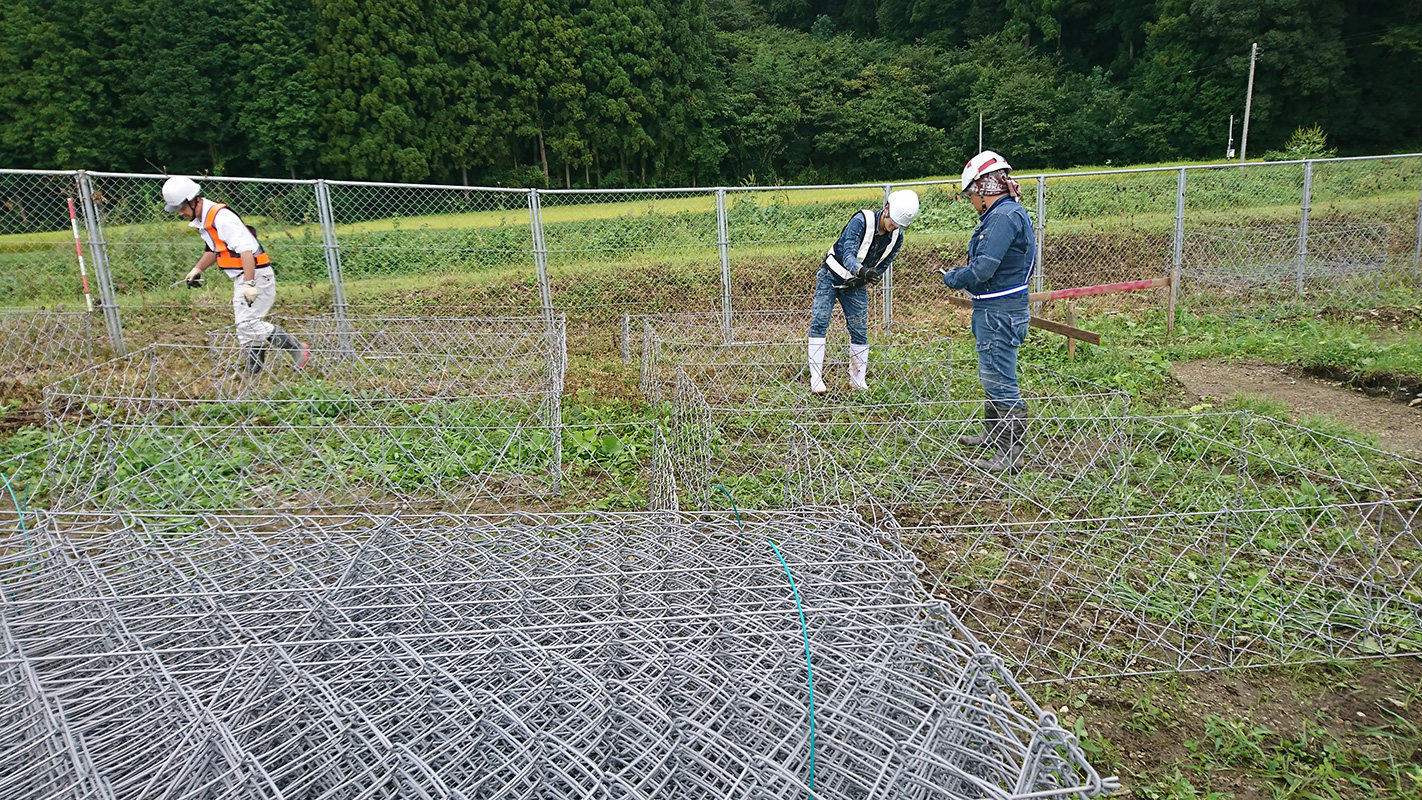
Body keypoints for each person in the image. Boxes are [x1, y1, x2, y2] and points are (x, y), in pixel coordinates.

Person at [937, 151, 1035, 472]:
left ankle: (1012, 452)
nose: (971, 202)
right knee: (991, 373)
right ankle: (993, 436)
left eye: (971, 195)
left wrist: (954, 277)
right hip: (996, 309)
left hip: (999, 312)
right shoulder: (1002, 215)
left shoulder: (1004, 218)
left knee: (1000, 378)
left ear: (982, 188)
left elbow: (982, 269)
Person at [163, 176, 309, 374]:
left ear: (194, 200)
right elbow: (214, 250)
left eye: (181, 207)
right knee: (246, 327)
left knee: (247, 324)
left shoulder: (222, 218)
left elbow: (246, 251)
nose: (179, 213)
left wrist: (249, 283)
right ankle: (254, 373)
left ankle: (297, 348)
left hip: (255, 275)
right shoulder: (205, 219)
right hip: (244, 276)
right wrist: (197, 270)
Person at [807, 189, 919, 393]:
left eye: (898, 225)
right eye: (892, 222)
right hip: (831, 275)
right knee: (820, 321)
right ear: (886, 208)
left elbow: (886, 262)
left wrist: (872, 275)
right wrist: (861, 270)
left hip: (856, 284)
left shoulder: (896, 237)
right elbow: (847, 252)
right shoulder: (861, 221)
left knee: (859, 329)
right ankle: (816, 380)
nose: (894, 227)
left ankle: (858, 381)